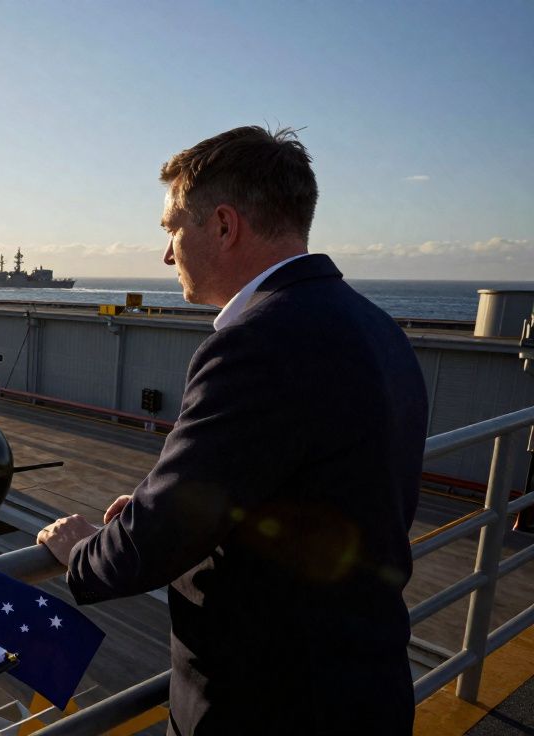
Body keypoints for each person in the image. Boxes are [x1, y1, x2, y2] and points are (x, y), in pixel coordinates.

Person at [37, 126, 427, 735]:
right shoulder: (375, 325)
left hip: (268, 706)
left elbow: (162, 536)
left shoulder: (257, 343)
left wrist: (82, 552)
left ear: (223, 225)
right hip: (365, 686)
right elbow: (286, 480)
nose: (168, 254)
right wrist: (157, 503)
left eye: (172, 228)